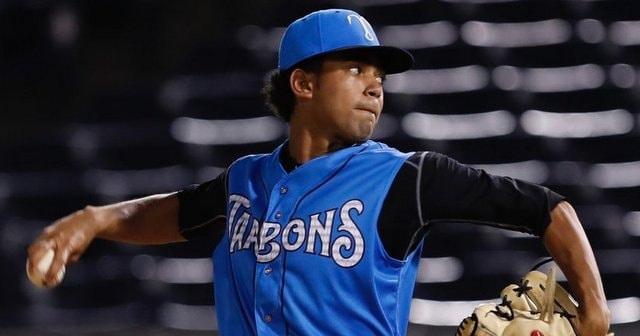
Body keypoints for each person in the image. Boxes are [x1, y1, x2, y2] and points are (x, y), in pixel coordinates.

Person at [27, 8, 611, 336]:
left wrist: (594, 309)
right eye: (356, 69)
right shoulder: (245, 182)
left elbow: (547, 209)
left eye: (378, 74)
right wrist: (94, 221)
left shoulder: (408, 180)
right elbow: (175, 214)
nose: (376, 84)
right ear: (303, 84)